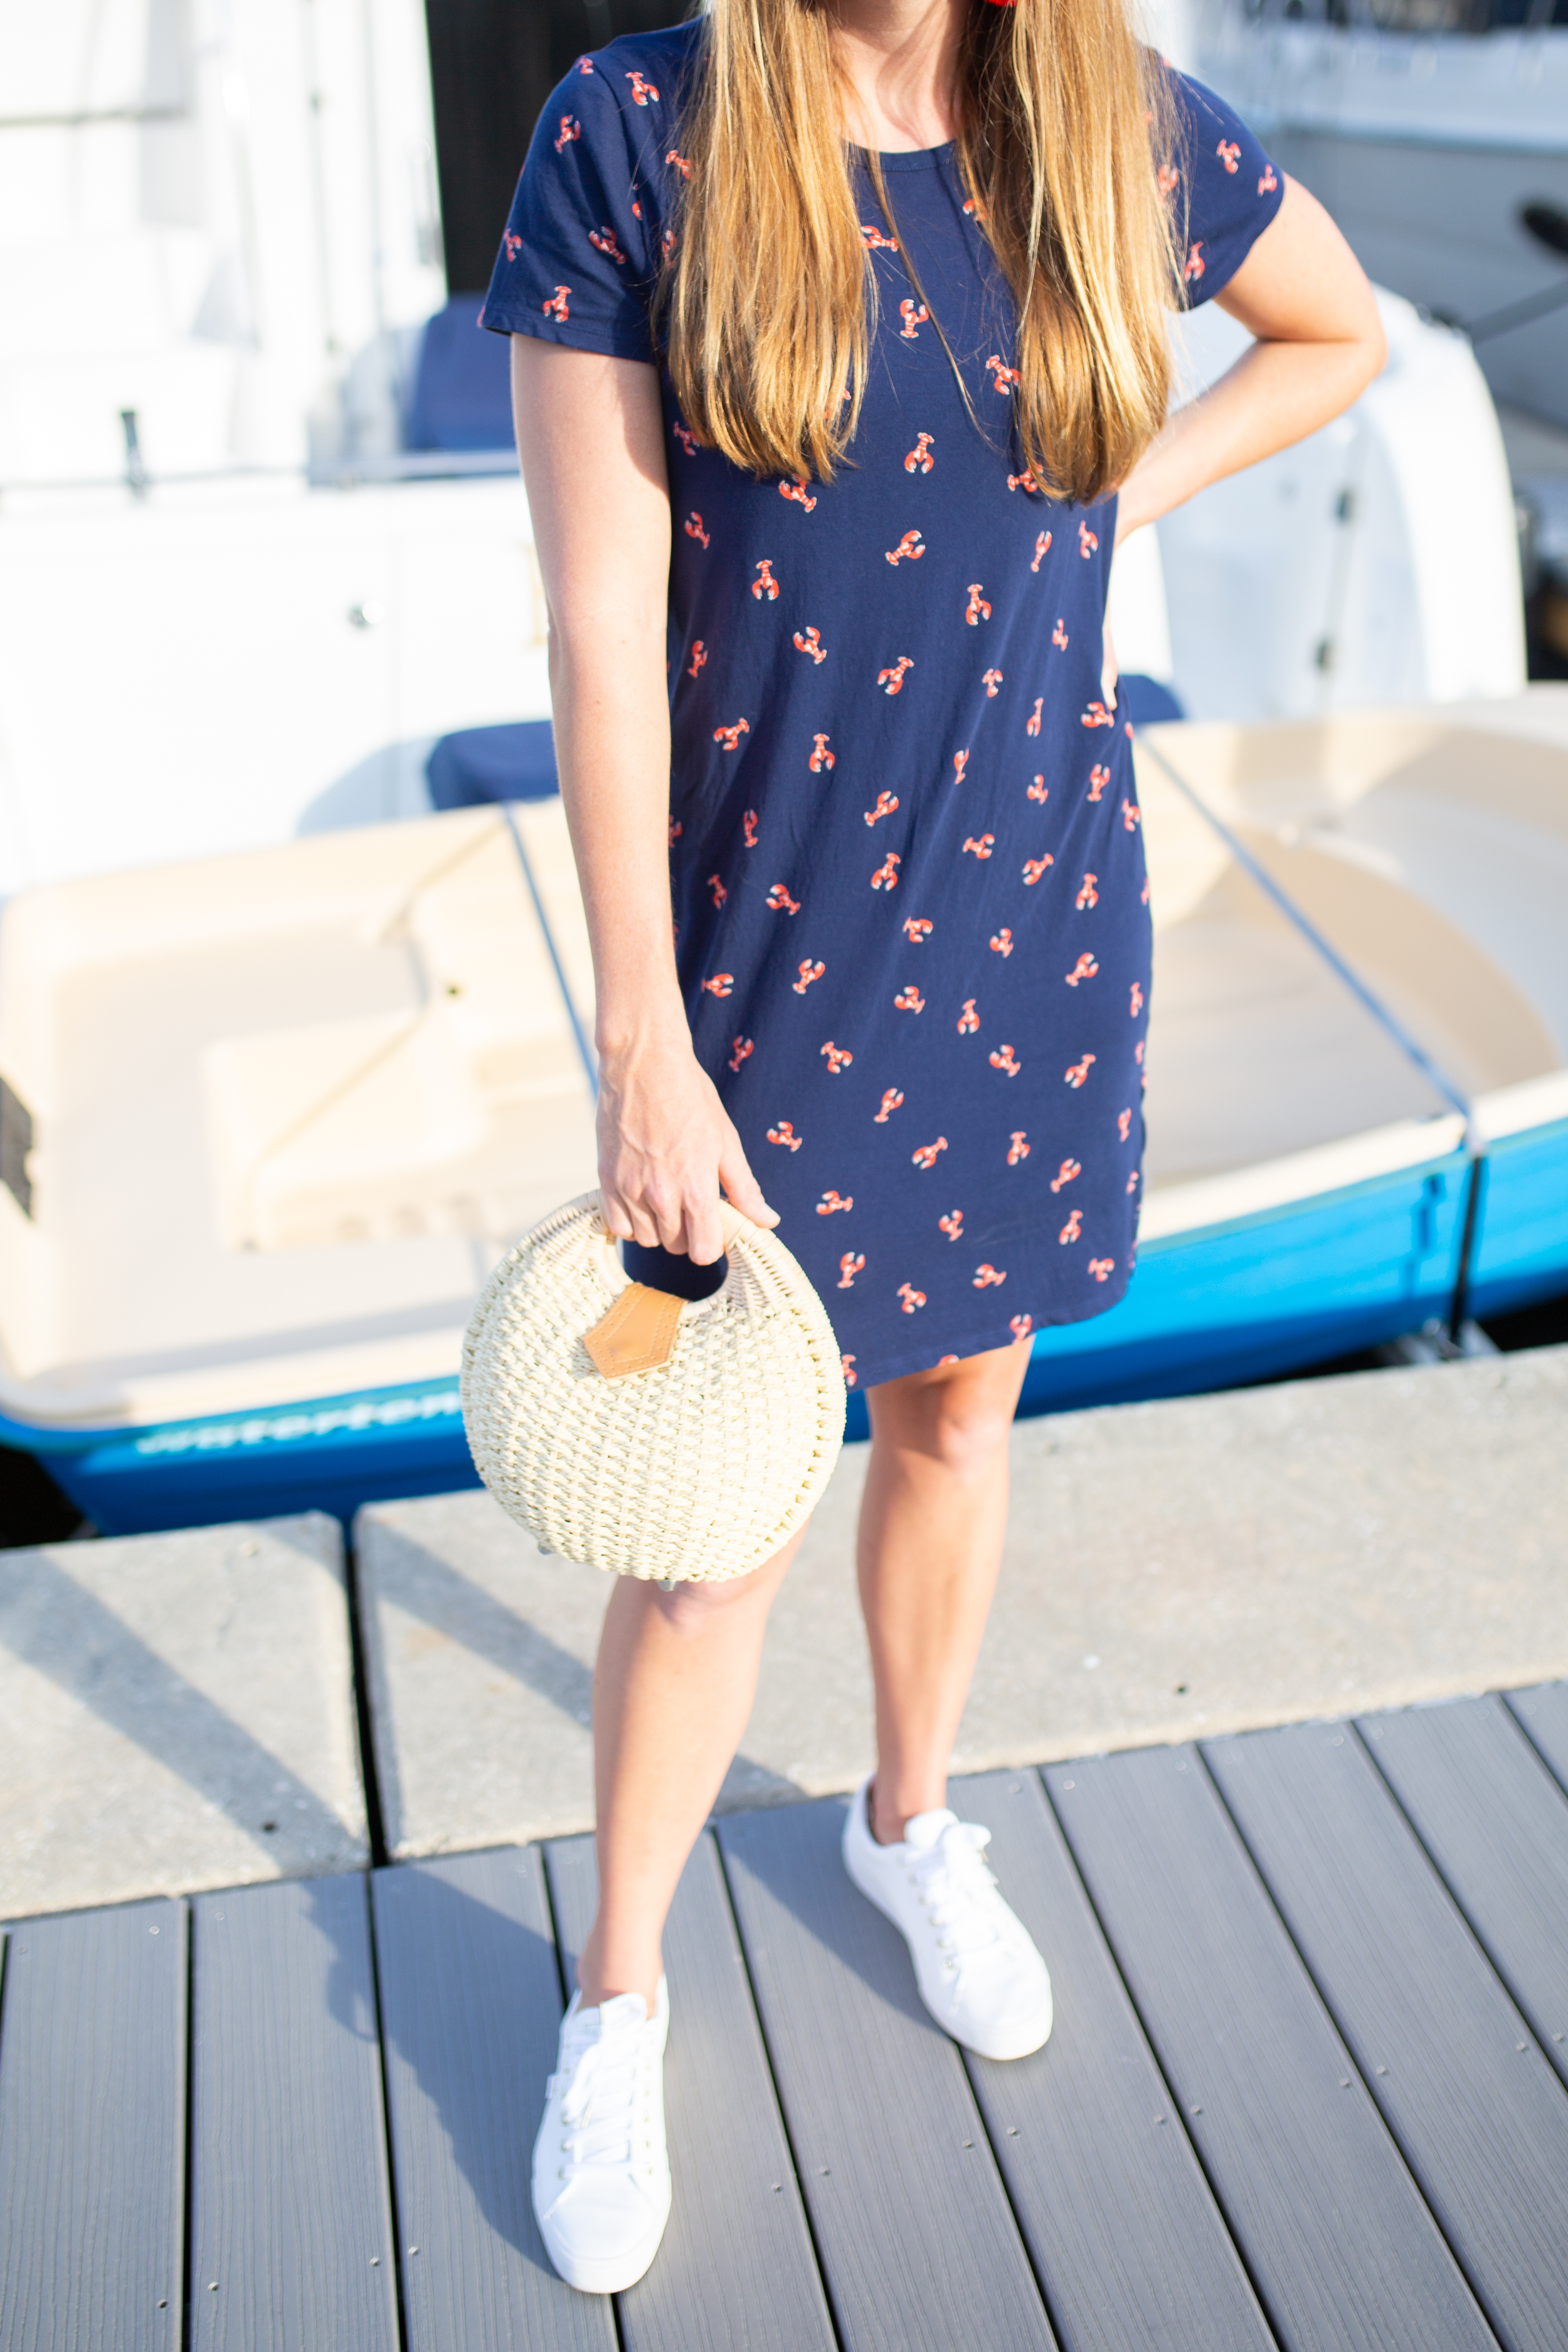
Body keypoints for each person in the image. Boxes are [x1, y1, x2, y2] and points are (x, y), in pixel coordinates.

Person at [482, 0, 1384, 2294]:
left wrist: (1117, 485)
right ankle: (614, 1991)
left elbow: (1333, 329)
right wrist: (639, 1043)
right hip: (756, 939)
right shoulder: (638, 131)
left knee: (961, 1418)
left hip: (1027, 895)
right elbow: (597, 621)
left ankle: (906, 1823)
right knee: (705, 1531)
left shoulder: (1109, 119)